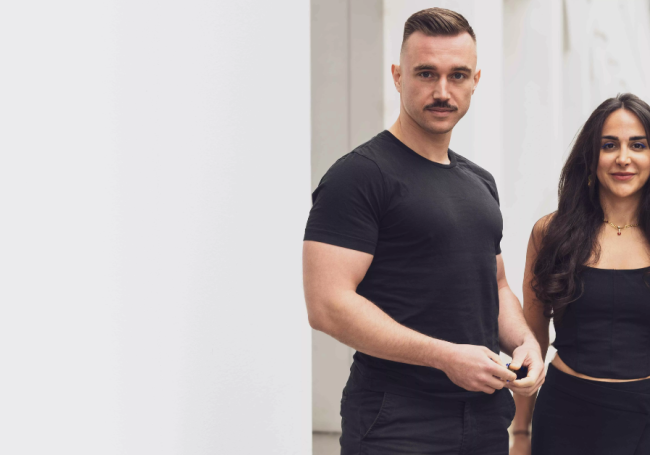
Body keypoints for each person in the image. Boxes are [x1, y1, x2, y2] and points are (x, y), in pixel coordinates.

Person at [303, 8, 545, 455]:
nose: (442, 91)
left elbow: (495, 285)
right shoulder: (359, 176)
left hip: (485, 417)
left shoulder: (480, 182)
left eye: (457, 75)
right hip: (398, 423)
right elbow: (327, 304)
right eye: (426, 73)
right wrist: (445, 356)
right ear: (398, 76)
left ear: (475, 81)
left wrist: (525, 342)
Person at [509, 93, 650, 455]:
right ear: (590, 157)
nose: (623, 158)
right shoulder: (551, 234)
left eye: (638, 145)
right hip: (565, 417)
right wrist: (520, 431)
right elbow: (533, 340)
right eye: (609, 145)